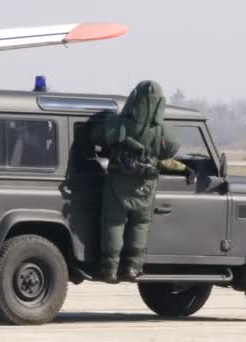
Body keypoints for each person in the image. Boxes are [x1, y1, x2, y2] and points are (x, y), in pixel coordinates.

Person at [90, 80, 195, 282]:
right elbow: (166, 157)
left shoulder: (118, 123)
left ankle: (109, 269)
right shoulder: (161, 131)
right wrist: (185, 168)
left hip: (117, 185)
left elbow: (96, 136)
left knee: (113, 224)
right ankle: (132, 267)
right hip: (145, 187)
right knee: (140, 225)